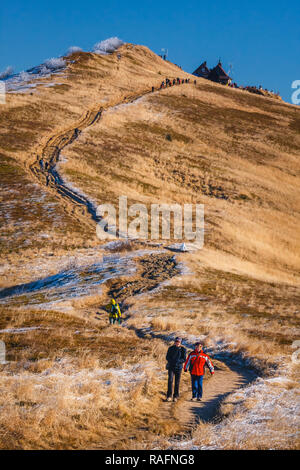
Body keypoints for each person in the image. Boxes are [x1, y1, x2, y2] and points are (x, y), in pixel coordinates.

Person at [165, 337, 186, 402]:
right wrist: (172, 361)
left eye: (179, 342)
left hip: (179, 368)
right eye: (176, 341)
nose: (177, 343)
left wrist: (178, 361)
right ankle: (169, 396)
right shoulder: (171, 348)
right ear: (174, 342)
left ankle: (175, 396)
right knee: (170, 381)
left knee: (177, 382)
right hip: (171, 367)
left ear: (180, 342)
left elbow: (184, 359)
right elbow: (167, 357)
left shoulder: (183, 349)